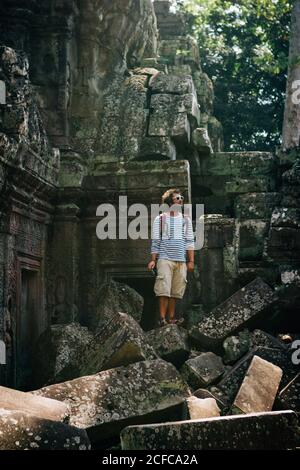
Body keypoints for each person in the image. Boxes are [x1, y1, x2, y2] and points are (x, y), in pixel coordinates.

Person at [148, 188, 195, 326]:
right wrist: (153, 260)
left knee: (176, 291)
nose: (181, 200)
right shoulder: (161, 219)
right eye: (177, 198)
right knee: (164, 289)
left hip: (181, 260)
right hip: (164, 259)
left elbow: (190, 241)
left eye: (181, 198)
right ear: (170, 202)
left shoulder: (185, 219)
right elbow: (156, 241)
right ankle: (162, 318)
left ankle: (171, 318)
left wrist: (191, 260)